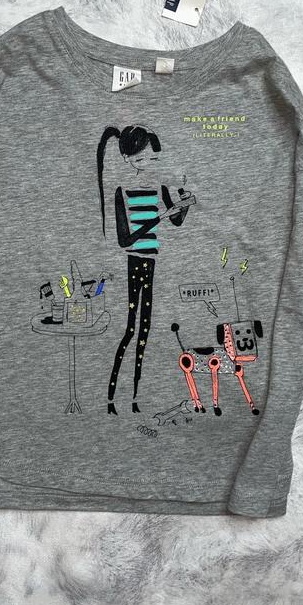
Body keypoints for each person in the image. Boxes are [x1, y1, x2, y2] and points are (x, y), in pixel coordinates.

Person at [96, 125, 194, 415]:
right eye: (141, 159)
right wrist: (160, 217)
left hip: (150, 263)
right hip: (133, 262)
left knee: (145, 330)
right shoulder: (122, 192)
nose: (148, 164)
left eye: (153, 158)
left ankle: (135, 397)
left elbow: (176, 220)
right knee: (130, 329)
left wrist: (184, 202)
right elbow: (125, 240)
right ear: (127, 159)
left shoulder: (160, 188)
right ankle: (111, 398)